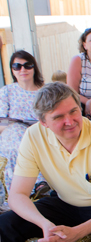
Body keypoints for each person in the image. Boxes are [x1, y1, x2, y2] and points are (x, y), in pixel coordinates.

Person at [0, 82, 91, 241]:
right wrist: (45, 225)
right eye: (58, 117)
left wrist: (78, 232)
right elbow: (17, 195)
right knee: (5, 224)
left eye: (73, 111)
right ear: (43, 122)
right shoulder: (33, 137)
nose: (70, 121)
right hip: (64, 204)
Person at [0, 51, 47, 207]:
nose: (22, 70)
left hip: (39, 131)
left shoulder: (45, 91)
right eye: (17, 66)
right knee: (17, 141)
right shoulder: (7, 91)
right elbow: (1, 121)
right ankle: (24, 190)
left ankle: (39, 186)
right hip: (11, 132)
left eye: (27, 65)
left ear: (34, 67)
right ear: (12, 70)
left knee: (33, 140)